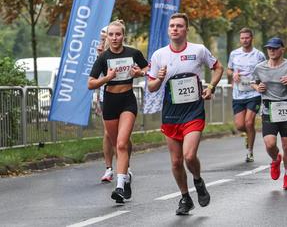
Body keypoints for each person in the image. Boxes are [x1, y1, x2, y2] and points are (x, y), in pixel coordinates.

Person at [147, 13, 223, 215]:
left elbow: (218, 68)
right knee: (175, 161)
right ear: (168, 30)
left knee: (189, 156)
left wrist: (211, 86)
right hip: (171, 113)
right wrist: (159, 78)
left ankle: (197, 181)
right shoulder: (159, 55)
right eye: (172, 26)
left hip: (193, 112)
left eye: (179, 26)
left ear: (186, 30)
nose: (175, 29)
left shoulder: (198, 50)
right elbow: (151, 86)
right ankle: (185, 197)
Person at [88, 20, 148, 203]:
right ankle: (126, 174)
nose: (115, 38)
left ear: (123, 36)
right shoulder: (103, 57)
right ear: (108, 37)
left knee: (121, 144)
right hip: (110, 103)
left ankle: (120, 186)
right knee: (117, 144)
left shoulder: (133, 53)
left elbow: (147, 68)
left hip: (128, 101)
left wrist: (140, 73)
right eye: (111, 35)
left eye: (118, 34)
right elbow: (90, 83)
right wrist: (107, 78)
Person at [251, 37, 287, 190]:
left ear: (282, 49)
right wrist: (257, 88)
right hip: (268, 109)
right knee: (270, 144)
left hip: (286, 106)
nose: (271, 51)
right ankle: (275, 159)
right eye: (269, 48)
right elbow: (253, 81)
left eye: (274, 48)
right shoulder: (260, 67)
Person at [96, 26, 133, 183]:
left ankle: (125, 166)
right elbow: (95, 77)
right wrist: (97, 97)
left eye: (113, 35)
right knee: (108, 134)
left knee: (122, 138)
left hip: (124, 95)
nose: (110, 38)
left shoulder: (124, 52)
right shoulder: (102, 53)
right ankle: (109, 168)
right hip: (107, 94)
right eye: (105, 37)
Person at [227, 28, 266, 162]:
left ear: (252, 38)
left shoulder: (259, 55)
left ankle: (250, 152)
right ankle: (248, 135)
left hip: (253, 93)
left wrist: (261, 83)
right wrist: (234, 74)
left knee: (249, 123)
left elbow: (265, 71)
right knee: (240, 125)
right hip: (238, 94)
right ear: (240, 39)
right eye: (242, 38)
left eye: (247, 38)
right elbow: (229, 70)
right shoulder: (234, 54)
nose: (244, 40)